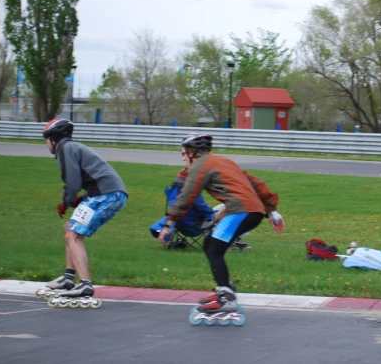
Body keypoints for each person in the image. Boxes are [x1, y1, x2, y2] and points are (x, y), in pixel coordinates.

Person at [158, 133, 285, 314]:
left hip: (239, 211)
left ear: (193, 152)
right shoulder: (223, 161)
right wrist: (272, 210)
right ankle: (224, 289)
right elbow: (255, 183)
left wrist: (169, 223)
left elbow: (187, 195)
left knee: (213, 249)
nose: (183, 158)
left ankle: (226, 298)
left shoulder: (201, 165)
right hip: (251, 211)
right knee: (209, 243)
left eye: (183, 153)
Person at [41, 119, 129, 299]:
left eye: (46, 139)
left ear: (53, 139)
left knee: (73, 235)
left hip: (105, 194)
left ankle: (85, 284)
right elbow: (90, 177)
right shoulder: (73, 147)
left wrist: (66, 202)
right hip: (109, 192)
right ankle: (68, 278)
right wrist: (81, 198)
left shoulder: (64, 149)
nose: (46, 144)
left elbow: (72, 181)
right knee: (69, 228)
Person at [150, 168, 251, 251]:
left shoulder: (172, 194)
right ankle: (230, 241)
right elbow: (205, 210)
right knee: (227, 208)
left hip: (181, 226)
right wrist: (212, 211)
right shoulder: (191, 194)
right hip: (196, 227)